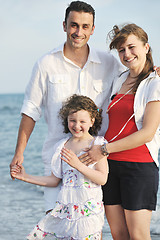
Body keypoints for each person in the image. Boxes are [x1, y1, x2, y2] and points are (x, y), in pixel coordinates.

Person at [9, 1, 123, 214]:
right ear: (64, 25)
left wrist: (152, 73)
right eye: (74, 25)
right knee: (55, 223)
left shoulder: (109, 63)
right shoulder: (46, 63)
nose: (79, 32)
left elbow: (130, 84)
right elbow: (31, 110)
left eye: (85, 26)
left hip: (95, 162)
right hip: (57, 161)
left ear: (92, 29)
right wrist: (19, 152)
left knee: (88, 228)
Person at [81, 23, 160, 240]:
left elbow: (148, 133)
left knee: (138, 236)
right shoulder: (119, 80)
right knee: (118, 235)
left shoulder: (155, 83)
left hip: (139, 168)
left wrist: (103, 149)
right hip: (109, 167)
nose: (127, 54)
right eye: (121, 50)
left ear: (146, 47)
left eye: (132, 47)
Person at [11, 94, 108, 240]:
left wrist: (78, 165)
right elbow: (54, 180)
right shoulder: (61, 146)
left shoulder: (98, 144)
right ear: (66, 120)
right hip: (66, 210)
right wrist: (25, 177)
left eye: (82, 121)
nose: (76, 125)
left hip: (89, 209)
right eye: (72, 120)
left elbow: (102, 179)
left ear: (92, 121)